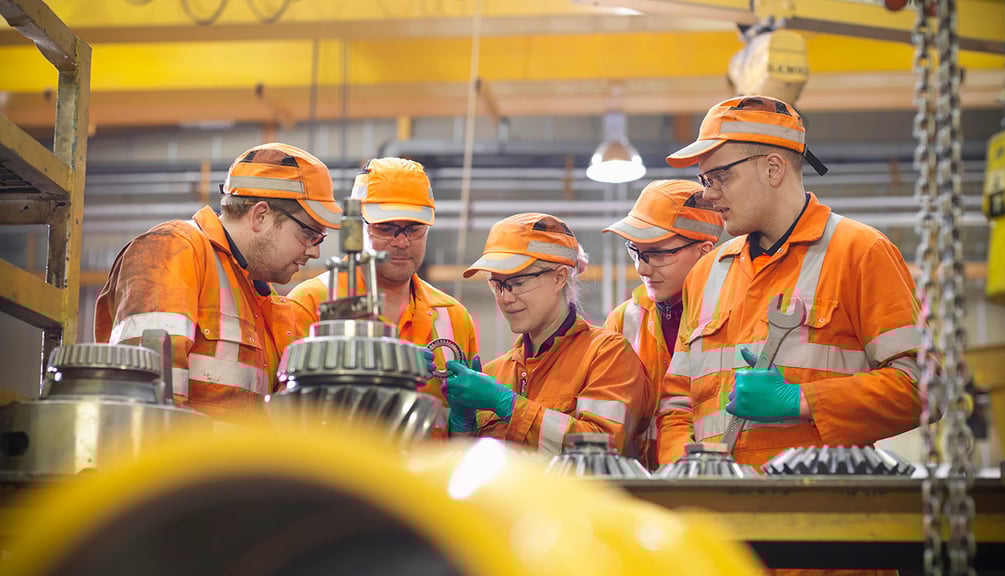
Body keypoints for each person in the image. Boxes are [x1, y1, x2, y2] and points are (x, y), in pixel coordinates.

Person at [659, 95, 923, 469]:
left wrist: (799, 399)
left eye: (720, 176)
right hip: (715, 507)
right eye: (704, 179)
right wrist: (682, 469)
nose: (707, 193)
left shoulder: (861, 253)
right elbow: (677, 403)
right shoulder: (706, 273)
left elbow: (922, 388)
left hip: (818, 509)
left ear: (772, 169)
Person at [95, 143, 341, 421]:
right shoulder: (174, 249)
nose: (314, 251)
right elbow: (145, 402)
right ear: (261, 215)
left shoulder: (260, 297)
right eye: (310, 234)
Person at [288, 157, 479, 432]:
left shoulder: (453, 316)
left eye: (414, 229)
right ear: (355, 226)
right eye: (385, 228)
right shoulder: (310, 303)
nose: (401, 241)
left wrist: (467, 426)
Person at [443, 212, 654, 458]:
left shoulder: (607, 356)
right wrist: (462, 428)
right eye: (497, 284)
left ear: (559, 277)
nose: (506, 298)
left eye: (518, 282)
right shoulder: (494, 372)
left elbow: (601, 450)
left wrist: (511, 407)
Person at [602, 179, 723, 468]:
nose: (643, 268)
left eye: (656, 253)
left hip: (716, 486)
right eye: (636, 252)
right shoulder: (624, 320)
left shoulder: (735, 317)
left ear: (705, 252)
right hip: (639, 489)